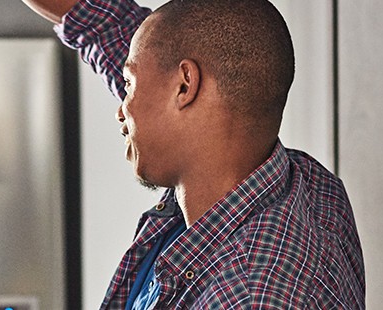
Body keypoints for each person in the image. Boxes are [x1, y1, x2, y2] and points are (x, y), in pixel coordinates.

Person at [21, 0, 365, 308]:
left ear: (185, 86)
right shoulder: (312, 188)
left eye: (129, 85)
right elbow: (111, 30)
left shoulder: (250, 297)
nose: (122, 110)